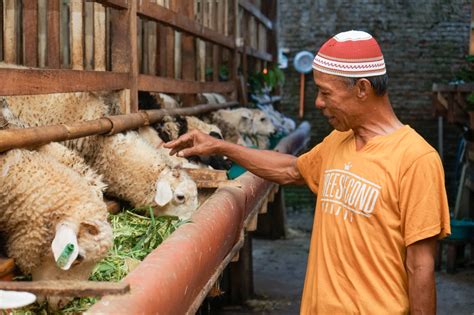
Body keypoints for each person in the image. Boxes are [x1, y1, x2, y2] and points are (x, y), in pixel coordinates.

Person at [164, 30, 451, 314]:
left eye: (326, 92)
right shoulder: (339, 140)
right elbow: (291, 168)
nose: (318, 102)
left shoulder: (417, 159)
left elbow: (420, 267)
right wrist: (218, 146)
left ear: (362, 89)